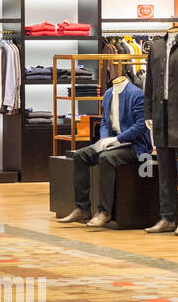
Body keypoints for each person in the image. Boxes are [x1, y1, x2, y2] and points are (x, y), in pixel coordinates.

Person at [57, 74, 151, 228]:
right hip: (113, 143)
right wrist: (104, 139)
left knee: (106, 158)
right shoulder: (108, 94)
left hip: (135, 146)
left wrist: (117, 140)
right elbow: (105, 122)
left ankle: (104, 211)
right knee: (80, 156)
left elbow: (141, 126)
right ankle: (82, 207)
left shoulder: (137, 94)